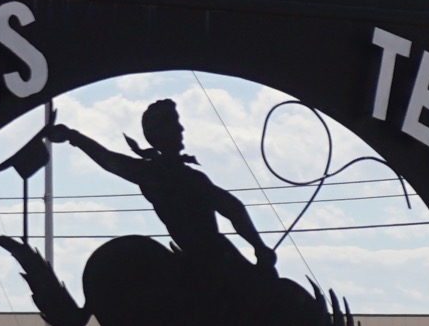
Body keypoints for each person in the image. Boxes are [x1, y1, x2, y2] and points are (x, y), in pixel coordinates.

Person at [46, 99, 277, 284]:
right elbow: (233, 208)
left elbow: (233, 208)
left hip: (210, 258)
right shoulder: (164, 175)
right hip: (213, 262)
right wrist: (259, 247)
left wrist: (73, 136)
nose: (181, 129)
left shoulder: (165, 174)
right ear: (160, 133)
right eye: (174, 124)